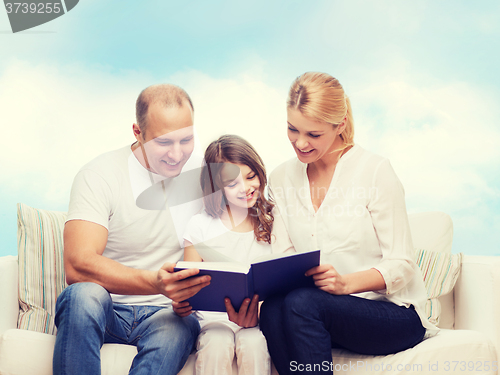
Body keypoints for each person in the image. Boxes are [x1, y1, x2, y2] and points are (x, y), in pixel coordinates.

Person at [259, 72, 438, 375]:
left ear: (340, 125)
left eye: (313, 135)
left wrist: (344, 284)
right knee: (274, 307)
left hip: (393, 313)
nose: (300, 143)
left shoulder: (374, 170)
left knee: (303, 303)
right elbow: (285, 255)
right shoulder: (281, 178)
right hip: (317, 309)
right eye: (292, 129)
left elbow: (403, 263)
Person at [53, 84, 211, 375]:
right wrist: (154, 282)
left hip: (167, 314)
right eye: (164, 143)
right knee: (82, 296)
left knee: (180, 326)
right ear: (138, 132)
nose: (177, 155)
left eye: (186, 140)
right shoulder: (100, 174)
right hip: (106, 309)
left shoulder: (203, 180)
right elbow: (78, 266)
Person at [173, 135, 273, 375]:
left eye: (251, 177)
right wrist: (180, 303)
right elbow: (186, 282)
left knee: (255, 343)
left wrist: (258, 314)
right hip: (212, 321)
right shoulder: (200, 225)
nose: (245, 189)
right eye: (232, 184)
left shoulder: (272, 221)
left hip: (257, 320)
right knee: (216, 344)